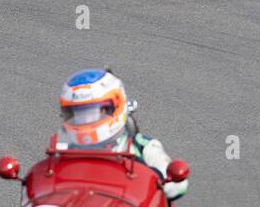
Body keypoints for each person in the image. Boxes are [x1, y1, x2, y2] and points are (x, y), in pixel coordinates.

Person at [58, 69, 188, 200]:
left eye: (97, 112)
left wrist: (155, 179)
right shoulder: (64, 149)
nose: (86, 121)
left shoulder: (143, 147)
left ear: (117, 106)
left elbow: (178, 185)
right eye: (76, 114)